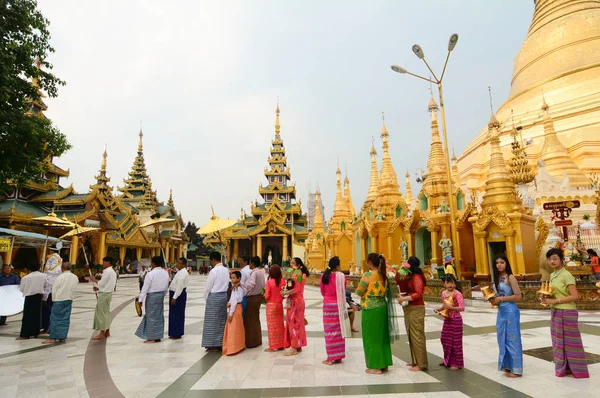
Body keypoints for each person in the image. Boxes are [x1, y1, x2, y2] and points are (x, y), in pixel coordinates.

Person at [541, 248, 589, 378]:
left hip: (567, 312)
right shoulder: (553, 275)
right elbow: (554, 292)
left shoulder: (566, 275)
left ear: (561, 259)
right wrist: (546, 298)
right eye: (550, 259)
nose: (552, 261)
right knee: (558, 342)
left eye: (555, 258)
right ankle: (564, 368)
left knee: (572, 343)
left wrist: (555, 300)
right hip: (556, 311)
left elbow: (575, 296)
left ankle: (579, 370)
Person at [356, 253, 393, 374]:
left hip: (370, 308)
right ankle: (384, 363)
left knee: (371, 337)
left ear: (369, 263)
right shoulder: (383, 275)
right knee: (382, 336)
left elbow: (359, 291)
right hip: (382, 306)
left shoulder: (367, 275)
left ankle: (376, 366)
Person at [490, 253, 523, 378]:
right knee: (502, 337)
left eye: (502, 262)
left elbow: (518, 296)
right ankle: (507, 365)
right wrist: (492, 299)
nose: (499, 265)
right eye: (497, 263)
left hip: (511, 311)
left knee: (512, 338)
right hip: (501, 311)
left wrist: (502, 299)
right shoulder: (497, 278)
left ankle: (516, 369)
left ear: (506, 264)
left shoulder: (511, 278)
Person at [397, 256, 428, 372]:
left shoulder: (417, 277)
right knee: (411, 334)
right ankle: (415, 360)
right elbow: (399, 282)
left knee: (417, 336)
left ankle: (422, 363)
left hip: (416, 308)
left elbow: (418, 293)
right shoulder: (409, 277)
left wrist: (405, 298)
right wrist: (400, 271)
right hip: (409, 307)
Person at [320, 256, 351, 365]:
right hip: (339, 305)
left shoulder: (324, 276)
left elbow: (322, 291)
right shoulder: (342, 277)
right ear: (337, 265)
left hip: (328, 306)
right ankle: (339, 356)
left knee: (329, 331)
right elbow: (344, 289)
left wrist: (329, 297)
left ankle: (330, 358)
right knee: (339, 330)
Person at [42, 261, 79, 344]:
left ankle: (53, 337)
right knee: (65, 318)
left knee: (55, 318)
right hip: (69, 299)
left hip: (59, 299)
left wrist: (53, 300)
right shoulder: (75, 277)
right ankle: (62, 337)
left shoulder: (60, 277)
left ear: (62, 268)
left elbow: (54, 289)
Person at [135, 256, 169, 343]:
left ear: (153, 263)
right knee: (159, 316)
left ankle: (152, 337)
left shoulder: (150, 274)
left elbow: (145, 288)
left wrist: (140, 300)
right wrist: (163, 294)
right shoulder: (165, 273)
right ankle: (158, 335)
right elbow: (166, 286)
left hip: (152, 296)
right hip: (161, 295)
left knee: (151, 316)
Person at [435, 274, 465, 370]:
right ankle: (447, 359)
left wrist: (451, 308)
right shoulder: (444, 293)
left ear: (455, 283)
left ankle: (456, 363)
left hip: (456, 320)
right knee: (444, 339)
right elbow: (445, 306)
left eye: (452, 282)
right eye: (448, 282)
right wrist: (439, 309)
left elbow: (462, 308)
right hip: (447, 319)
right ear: (444, 284)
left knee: (455, 342)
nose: (450, 285)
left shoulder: (457, 294)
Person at [202, 251, 230, 352]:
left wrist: (206, 297)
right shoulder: (226, 270)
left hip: (214, 297)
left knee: (212, 322)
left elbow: (208, 286)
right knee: (221, 320)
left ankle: (212, 344)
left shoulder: (214, 271)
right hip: (223, 296)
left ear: (213, 260)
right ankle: (220, 342)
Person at [281, 257, 309, 356]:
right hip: (299, 301)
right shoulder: (300, 273)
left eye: (292, 262)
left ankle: (294, 348)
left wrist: (284, 292)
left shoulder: (297, 274)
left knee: (293, 324)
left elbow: (296, 288)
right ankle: (298, 346)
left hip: (295, 301)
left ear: (296, 264)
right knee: (298, 323)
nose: (290, 264)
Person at [240, 255, 266, 348]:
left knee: (249, 319)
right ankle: (257, 340)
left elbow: (252, 284)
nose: (249, 265)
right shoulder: (261, 272)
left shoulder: (254, 273)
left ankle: (251, 342)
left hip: (252, 298)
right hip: (258, 297)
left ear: (253, 263)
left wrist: (241, 284)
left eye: (250, 263)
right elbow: (263, 285)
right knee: (255, 319)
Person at [16, 262, 46, 340]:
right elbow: (46, 286)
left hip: (29, 297)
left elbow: (21, 289)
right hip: (39, 297)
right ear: (39, 268)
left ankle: (25, 334)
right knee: (37, 315)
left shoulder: (25, 278)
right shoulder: (44, 276)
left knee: (27, 316)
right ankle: (35, 332)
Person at [90, 256, 117, 340]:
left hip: (104, 294)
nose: (103, 264)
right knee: (106, 312)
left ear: (108, 262)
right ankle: (107, 331)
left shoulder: (107, 271)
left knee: (101, 313)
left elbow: (102, 283)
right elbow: (107, 284)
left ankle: (102, 333)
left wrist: (94, 280)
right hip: (108, 293)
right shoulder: (113, 271)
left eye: (104, 262)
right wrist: (98, 288)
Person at [264, 264, 286, 352]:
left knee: (272, 326)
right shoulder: (283, 281)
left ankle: (272, 346)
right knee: (280, 325)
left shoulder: (269, 282)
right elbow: (284, 294)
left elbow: (267, 295)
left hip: (271, 306)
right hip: (279, 305)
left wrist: (264, 296)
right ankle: (281, 344)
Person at [223, 271, 245, 355]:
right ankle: (240, 345)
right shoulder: (238, 287)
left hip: (235, 309)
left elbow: (234, 302)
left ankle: (233, 348)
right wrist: (229, 302)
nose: (232, 280)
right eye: (231, 278)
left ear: (239, 278)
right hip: (238, 308)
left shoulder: (236, 288)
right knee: (238, 328)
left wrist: (231, 314)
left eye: (234, 278)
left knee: (233, 329)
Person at [41, 250, 63, 334]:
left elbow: (47, 287)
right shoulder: (60, 274)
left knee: (48, 311)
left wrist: (44, 298)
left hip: (49, 295)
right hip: (57, 294)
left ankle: (47, 327)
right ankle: (50, 327)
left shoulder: (49, 275)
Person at [168, 257, 189, 339]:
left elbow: (179, 287)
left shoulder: (182, 274)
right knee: (176, 313)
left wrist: (174, 297)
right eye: (177, 262)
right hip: (177, 293)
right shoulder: (180, 272)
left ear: (184, 264)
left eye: (179, 263)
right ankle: (176, 332)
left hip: (178, 295)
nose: (177, 264)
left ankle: (176, 332)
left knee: (176, 314)